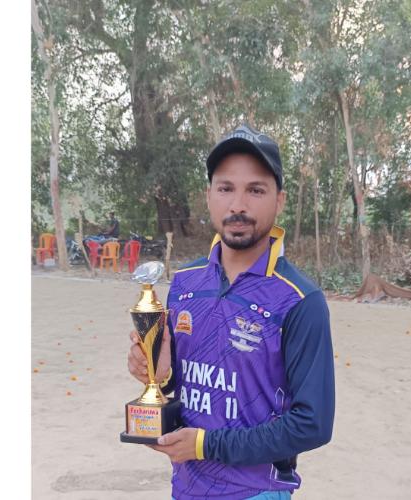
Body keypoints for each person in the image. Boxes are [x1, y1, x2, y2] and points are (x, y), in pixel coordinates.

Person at [127, 124, 335, 500]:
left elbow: (313, 424)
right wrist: (161, 373)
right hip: (185, 487)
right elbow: (182, 384)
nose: (238, 205)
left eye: (255, 190)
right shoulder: (185, 282)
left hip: (256, 491)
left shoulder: (300, 300)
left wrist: (206, 445)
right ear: (208, 196)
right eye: (226, 188)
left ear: (279, 200)